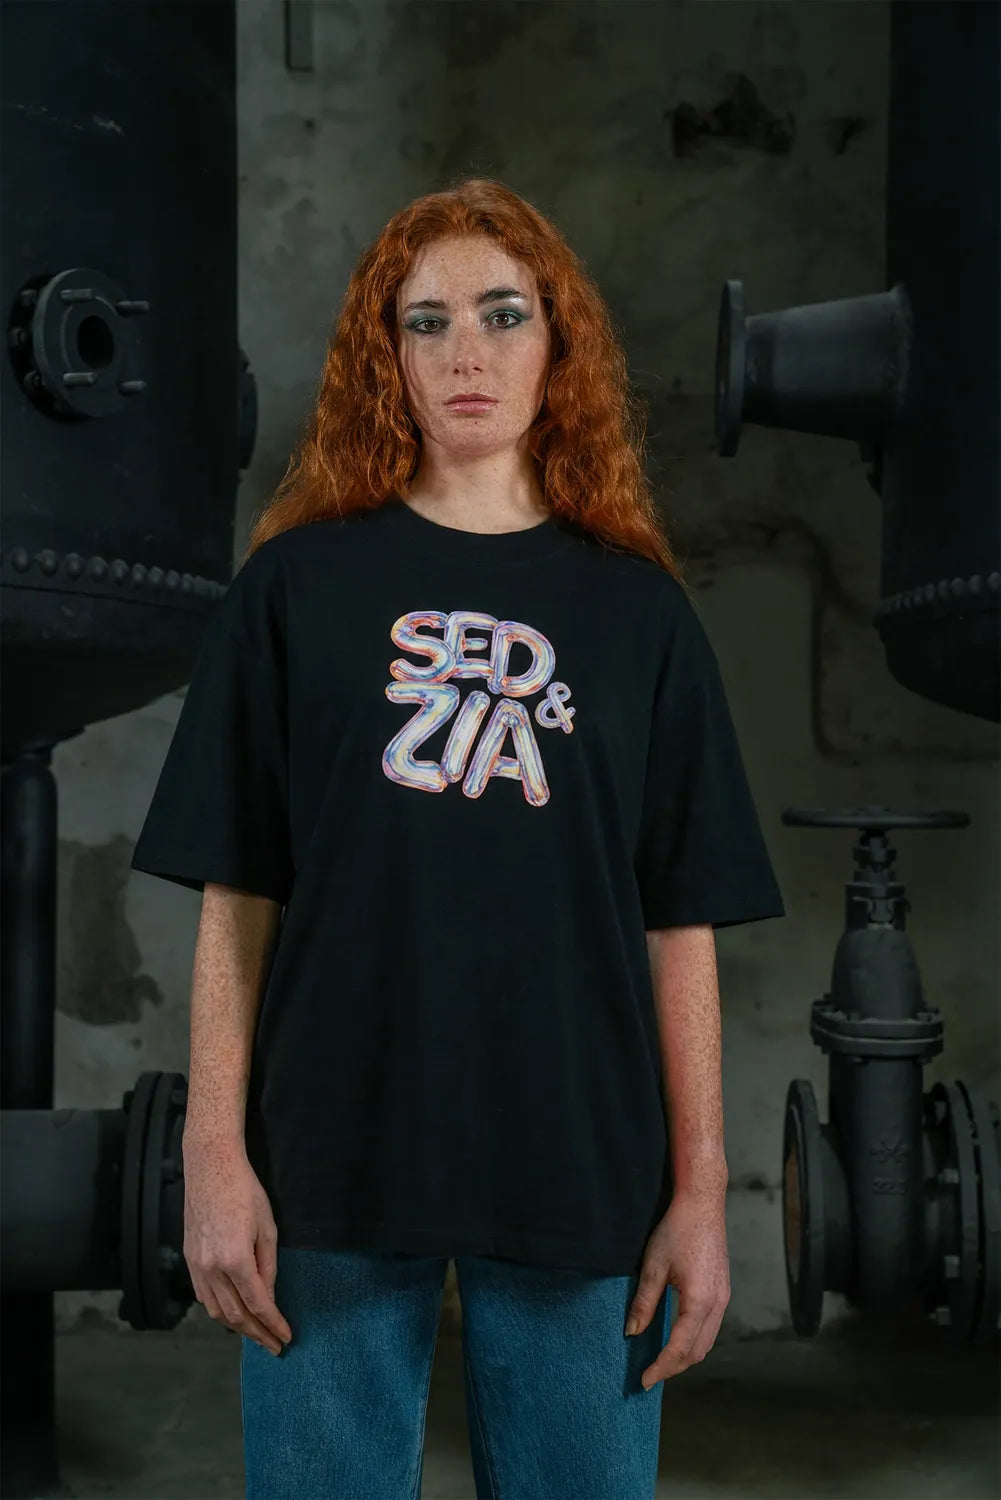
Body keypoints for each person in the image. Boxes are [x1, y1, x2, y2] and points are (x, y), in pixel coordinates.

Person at [130, 176, 785, 1500]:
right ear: (387, 354)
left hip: (580, 1156)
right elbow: (236, 893)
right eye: (426, 321)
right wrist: (213, 1153)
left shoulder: (639, 616)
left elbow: (681, 923)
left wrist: (701, 1188)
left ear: (558, 342)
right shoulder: (293, 588)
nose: (466, 353)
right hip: (328, 1154)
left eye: (502, 313)